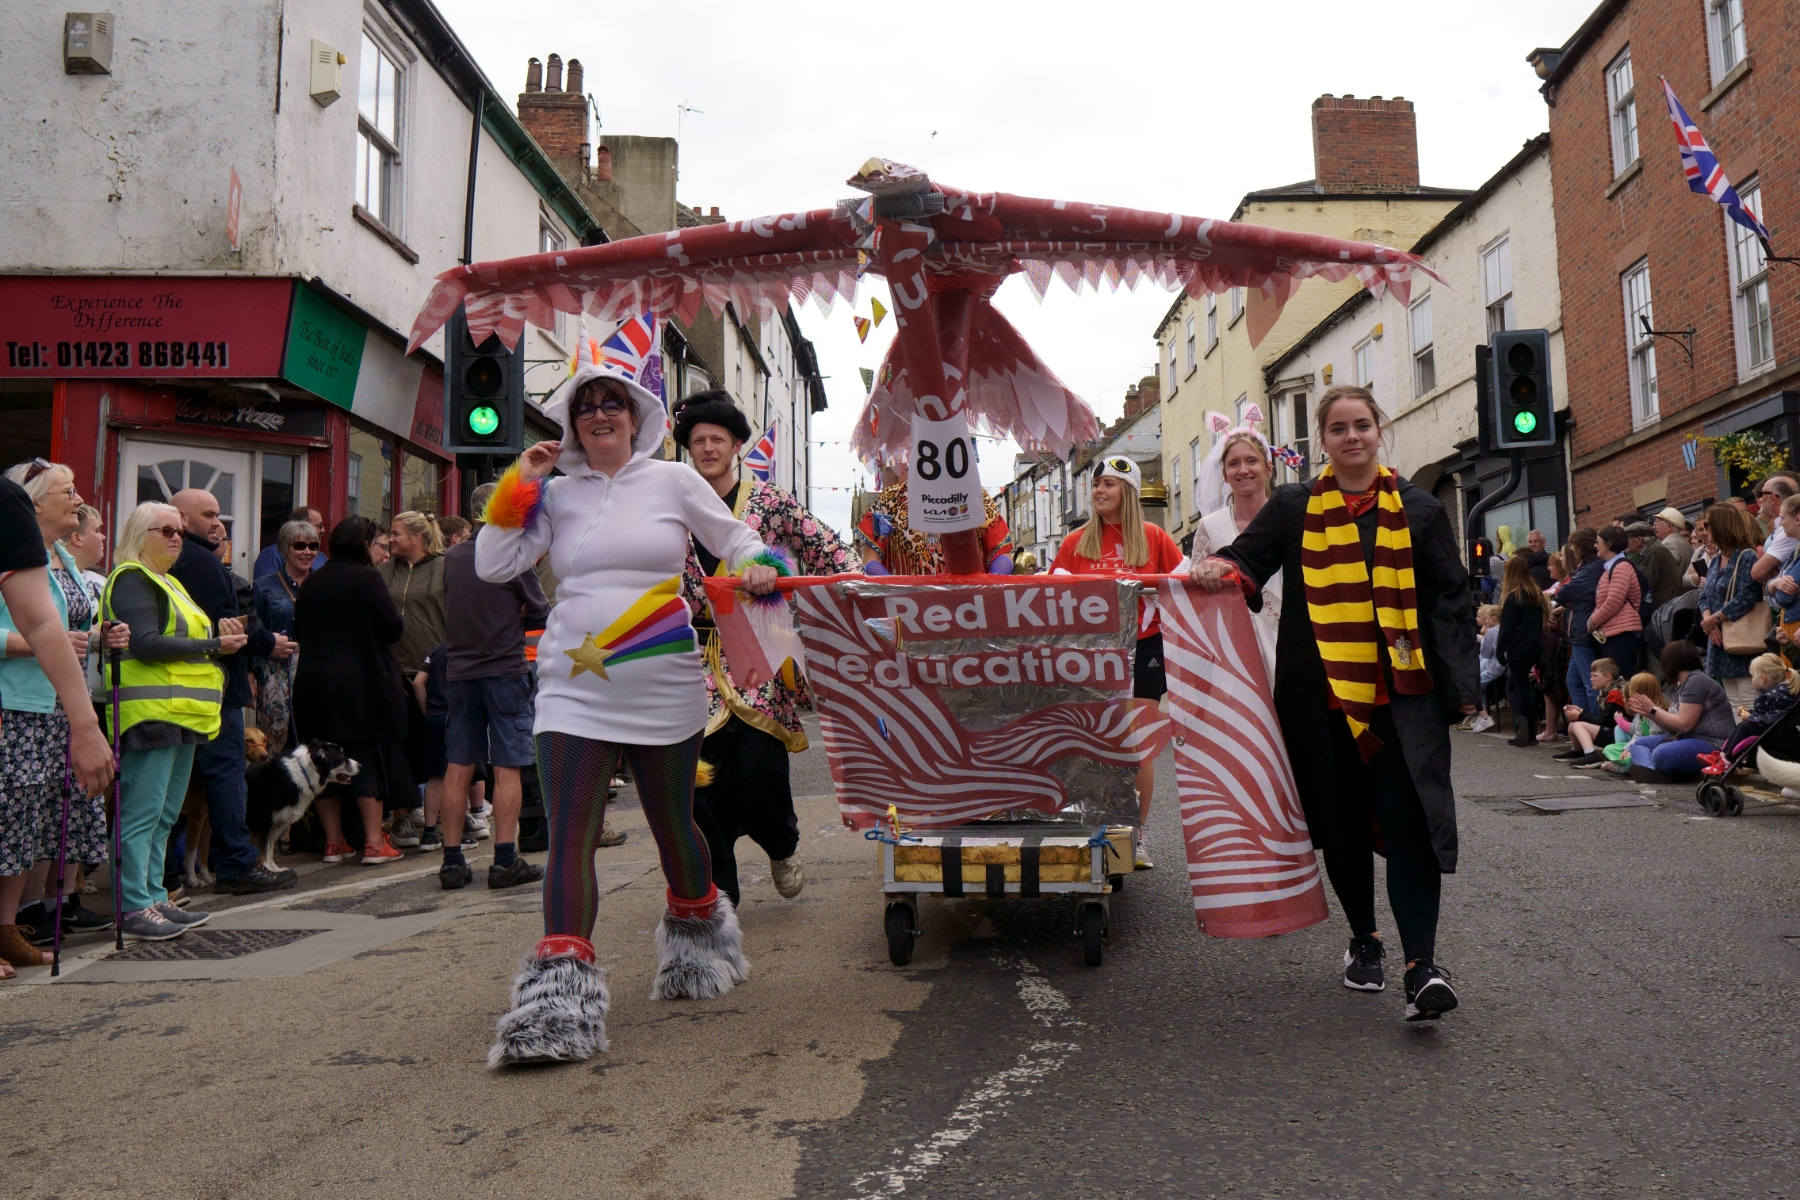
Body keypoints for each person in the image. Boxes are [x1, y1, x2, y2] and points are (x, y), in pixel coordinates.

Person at [475, 356, 779, 1067]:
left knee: (674, 827)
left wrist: (759, 562)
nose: (600, 414)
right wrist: (520, 482)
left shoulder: (673, 480)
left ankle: (700, 939)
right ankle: (558, 1003)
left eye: (614, 403)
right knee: (573, 828)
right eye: (588, 406)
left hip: (660, 679)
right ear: (573, 423)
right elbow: (494, 562)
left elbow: (736, 538)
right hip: (572, 685)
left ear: (637, 418)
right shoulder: (554, 493)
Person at [1190, 385, 1476, 1022]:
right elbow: (1247, 561)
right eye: (1339, 428)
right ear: (1322, 441)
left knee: (1411, 831)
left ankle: (1421, 966)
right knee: (1342, 829)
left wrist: (1461, 691)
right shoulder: (1294, 507)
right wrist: (1220, 571)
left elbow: (1449, 602)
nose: (1352, 437)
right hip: (1320, 703)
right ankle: (1365, 941)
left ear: (1380, 430)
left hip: (1401, 701)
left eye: (1362, 425)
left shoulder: (1423, 511)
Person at [674, 391, 860, 906]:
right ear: (688, 450)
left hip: (756, 653)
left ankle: (781, 844)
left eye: (717, 439)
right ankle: (720, 895)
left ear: (736, 445)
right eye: (698, 441)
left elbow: (827, 548)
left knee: (762, 772)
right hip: (691, 658)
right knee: (701, 785)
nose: (708, 448)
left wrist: (849, 582)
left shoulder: (770, 503)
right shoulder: (668, 504)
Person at [0, 463, 129, 966]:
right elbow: (36, 629)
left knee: (24, 825)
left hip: (47, 703)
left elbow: (49, 625)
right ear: (33, 501)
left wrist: (98, 638)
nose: (79, 500)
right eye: (67, 491)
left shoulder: (56, 556)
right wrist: (34, 646)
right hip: (16, 703)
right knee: (10, 818)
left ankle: (8, 927)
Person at [102, 501, 241, 940]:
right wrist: (215, 645)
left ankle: (152, 896)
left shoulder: (166, 582)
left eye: (178, 530)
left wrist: (215, 642)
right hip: (150, 713)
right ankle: (133, 904)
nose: (176, 537)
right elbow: (142, 644)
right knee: (142, 815)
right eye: (164, 531)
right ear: (139, 535)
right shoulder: (132, 578)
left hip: (178, 714)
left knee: (163, 815)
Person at [1050, 454, 1186, 867]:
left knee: (1136, 744)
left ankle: (1136, 838)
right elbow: (1050, 593)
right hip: (1095, 653)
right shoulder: (1076, 543)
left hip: (1145, 647)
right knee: (1096, 743)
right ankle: (1092, 829)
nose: (1098, 491)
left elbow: (1182, 586)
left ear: (1127, 491)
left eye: (1108, 484)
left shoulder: (1154, 538)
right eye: (1096, 485)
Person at [168, 488, 295, 894]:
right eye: (208, 514)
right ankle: (236, 864)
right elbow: (227, 626)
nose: (218, 522)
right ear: (183, 520)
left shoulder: (182, 559)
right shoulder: (200, 562)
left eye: (219, 513)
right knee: (225, 776)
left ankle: (172, 872)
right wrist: (266, 643)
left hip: (193, 688)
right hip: (213, 688)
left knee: (182, 783)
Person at [435, 482, 550, 892]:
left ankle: (451, 861)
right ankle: (504, 859)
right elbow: (540, 610)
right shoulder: (514, 558)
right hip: (504, 666)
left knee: (458, 765)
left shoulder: (452, 557)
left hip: (460, 670)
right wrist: (514, 609)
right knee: (507, 766)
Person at [292, 517, 414, 866]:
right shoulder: (368, 579)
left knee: (323, 756)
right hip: (362, 682)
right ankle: (374, 843)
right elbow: (391, 629)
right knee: (366, 757)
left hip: (313, 682)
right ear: (362, 545)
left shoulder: (313, 582)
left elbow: (300, 629)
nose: (385, 548)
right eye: (378, 543)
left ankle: (334, 842)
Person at [1191, 416, 1281, 683]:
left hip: (1286, 639)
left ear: (1268, 468)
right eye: (1234, 463)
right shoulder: (1211, 526)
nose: (1243, 470)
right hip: (1232, 644)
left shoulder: (1289, 516)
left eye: (1251, 461)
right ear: (1225, 474)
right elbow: (1194, 592)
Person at [379, 510, 447, 841]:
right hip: (395, 669)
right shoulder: (382, 572)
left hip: (435, 668)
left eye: (395, 533)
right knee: (400, 747)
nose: (389, 540)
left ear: (417, 538)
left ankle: (445, 818)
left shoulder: (444, 567)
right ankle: (402, 815)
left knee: (438, 747)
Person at [855, 458, 1012, 576]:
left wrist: (992, 583)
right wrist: (895, 591)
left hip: (969, 605)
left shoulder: (975, 495)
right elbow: (871, 559)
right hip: (907, 608)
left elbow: (1001, 552)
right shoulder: (889, 500)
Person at [250, 519, 319, 757]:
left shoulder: (323, 584)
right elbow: (253, 632)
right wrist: (251, 673)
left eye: (313, 546)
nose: (307, 552)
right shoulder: (263, 587)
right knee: (274, 739)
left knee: (312, 738)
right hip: (274, 672)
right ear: (285, 548)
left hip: (314, 670)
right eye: (299, 545)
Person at [1626, 641, 1735, 780]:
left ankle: (1656, 771)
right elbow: (1674, 730)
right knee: (1638, 744)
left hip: (1712, 744)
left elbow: (1685, 724)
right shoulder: (1684, 684)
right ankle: (1652, 772)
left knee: (1660, 754)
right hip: (1688, 738)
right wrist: (1650, 714)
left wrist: (1653, 710)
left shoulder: (1696, 681)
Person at [1697, 502, 1764, 708]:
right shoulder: (1716, 560)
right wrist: (1709, 623)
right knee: (1734, 703)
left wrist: (1715, 619)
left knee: (1748, 702)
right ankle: (1741, 741)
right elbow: (1704, 596)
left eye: (1709, 525)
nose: (1705, 531)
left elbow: (1748, 595)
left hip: (1741, 639)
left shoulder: (1746, 556)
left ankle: (1753, 741)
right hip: (1719, 642)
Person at [1496, 554, 1550, 747]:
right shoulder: (1534, 594)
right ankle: (1530, 730)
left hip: (1518, 647)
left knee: (1516, 688)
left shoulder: (1514, 597)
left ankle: (1523, 723)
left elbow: (1507, 628)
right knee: (1520, 687)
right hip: (1533, 645)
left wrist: (1500, 651)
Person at [1588, 525, 1644, 676]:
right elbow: (1602, 601)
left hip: (1622, 635)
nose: (1595, 545)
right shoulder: (1609, 569)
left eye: (1598, 542)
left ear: (1609, 544)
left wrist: (1593, 621)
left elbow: (1614, 601)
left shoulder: (1621, 567)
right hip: (1613, 633)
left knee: (1622, 681)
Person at [1559, 529, 1603, 713]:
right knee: (1573, 680)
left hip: (1583, 631)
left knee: (1589, 682)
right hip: (1578, 631)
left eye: (1574, 545)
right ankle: (1581, 723)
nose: (1572, 549)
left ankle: (1593, 725)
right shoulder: (1587, 568)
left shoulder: (1591, 569)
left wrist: (1568, 596)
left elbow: (1564, 593)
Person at [1555, 658, 1626, 767]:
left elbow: (1606, 721)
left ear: (1607, 677)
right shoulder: (1607, 691)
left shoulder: (1615, 694)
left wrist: (1581, 715)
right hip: (1613, 732)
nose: (1591, 679)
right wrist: (1582, 712)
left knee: (1578, 725)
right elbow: (1604, 718)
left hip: (1620, 736)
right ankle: (1577, 751)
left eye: (1594, 676)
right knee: (1572, 725)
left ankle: (1591, 756)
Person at [1625, 521, 1685, 618]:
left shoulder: (1655, 552)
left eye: (1626, 540)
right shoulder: (1653, 550)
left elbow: (1647, 583)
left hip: (1663, 609)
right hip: (1665, 607)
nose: (1624, 544)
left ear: (1639, 540)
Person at [1750, 474, 1800, 583]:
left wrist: (1771, 580)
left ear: (1773, 497)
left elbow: (1757, 573)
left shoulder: (1788, 530)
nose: (1759, 499)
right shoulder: (1779, 525)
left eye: (1762, 494)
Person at [253, 507, 326, 580]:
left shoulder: (321, 557)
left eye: (313, 546)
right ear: (302, 525)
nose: (323, 530)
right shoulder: (271, 555)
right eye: (319, 526)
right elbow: (265, 587)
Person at [1654, 507, 1693, 571]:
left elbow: (1666, 573)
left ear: (1669, 526)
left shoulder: (1668, 545)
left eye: (1657, 523)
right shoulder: (1686, 544)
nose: (1654, 527)